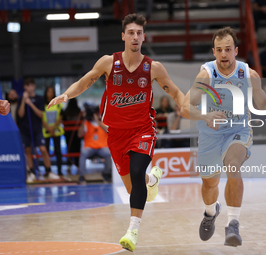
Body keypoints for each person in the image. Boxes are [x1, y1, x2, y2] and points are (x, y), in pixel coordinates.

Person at [47, 13, 184, 252]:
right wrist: (66, 95)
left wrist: (189, 106)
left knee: (138, 168)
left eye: (139, 33)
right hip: (116, 134)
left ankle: (132, 230)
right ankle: (153, 180)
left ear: (144, 37)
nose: (135, 37)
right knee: (134, 188)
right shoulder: (109, 63)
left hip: (143, 129)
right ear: (123, 36)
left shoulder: (153, 68)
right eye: (131, 32)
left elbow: (175, 92)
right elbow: (84, 81)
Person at [180, 27, 266, 247]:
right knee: (209, 184)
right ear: (214, 52)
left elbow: (263, 103)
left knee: (233, 165)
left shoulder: (248, 74)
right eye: (219, 50)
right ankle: (210, 212)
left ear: (236, 50)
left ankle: (233, 223)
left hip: (238, 130)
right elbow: (184, 107)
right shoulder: (206, 75)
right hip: (210, 135)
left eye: (228, 49)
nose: (224, 54)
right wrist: (205, 115)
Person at [17, 78, 60, 182]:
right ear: (24, 87)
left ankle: (48, 171)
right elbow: (20, 114)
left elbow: (40, 114)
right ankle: (31, 172)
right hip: (25, 130)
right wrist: (24, 100)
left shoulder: (39, 99)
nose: (29, 88)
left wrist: (30, 104)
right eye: (27, 86)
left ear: (34, 86)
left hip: (37, 129)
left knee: (43, 149)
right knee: (27, 150)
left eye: (31, 85)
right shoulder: (21, 99)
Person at [77, 105, 112, 184]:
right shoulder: (86, 123)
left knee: (108, 153)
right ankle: (82, 176)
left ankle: (106, 174)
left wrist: (98, 121)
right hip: (89, 147)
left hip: (102, 147)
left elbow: (109, 131)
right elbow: (79, 135)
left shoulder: (104, 123)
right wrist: (84, 119)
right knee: (83, 153)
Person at [42, 86, 65, 177]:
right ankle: (48, 170)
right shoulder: (42, 105)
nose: (50, 93)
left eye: (52, 92)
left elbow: (61, 116)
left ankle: (59, 171)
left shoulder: (58, 104)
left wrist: (53, 128)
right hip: (46, 131)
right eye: (48, 91)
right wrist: (48, 128)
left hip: (56, 131)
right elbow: (41, 117)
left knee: (58, 151)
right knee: (45, 151)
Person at [63, 98, 82, 172]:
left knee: (69, 148)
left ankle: (69, 165)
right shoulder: (78, 111)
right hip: (76, 134)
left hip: (68, 134)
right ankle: (77, 165)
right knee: (77, 148)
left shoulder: (66, 111)